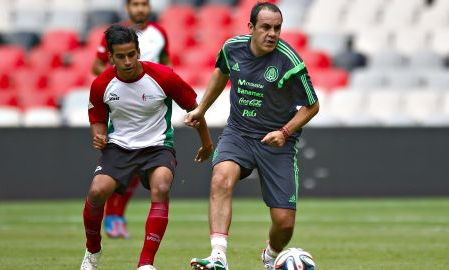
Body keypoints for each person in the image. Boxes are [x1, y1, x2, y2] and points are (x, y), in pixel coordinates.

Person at [185, 2, 319, 270]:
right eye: (266, 27)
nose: (272, 34)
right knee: (221, 177)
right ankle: (218, 256)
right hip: (239, 132)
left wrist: (284, 132)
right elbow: (221, 74)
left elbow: (312, 105)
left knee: (284, 223)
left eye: (277, 28)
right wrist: (201, 109)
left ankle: (271, 257)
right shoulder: (232, 48)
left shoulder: (289, 62)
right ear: (251, 27)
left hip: (277, 141)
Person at [80, 25, 213, 270]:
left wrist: (207, 144)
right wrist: (98, 136)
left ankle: (145, 264)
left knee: (161, 187)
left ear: (139, 51)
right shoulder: (101, 84)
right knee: (97, 192)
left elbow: (195, 110)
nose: (128, 61)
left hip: (157, 146)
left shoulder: (164, 77)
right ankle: (92, 252)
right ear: (110, 57)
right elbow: (97, 121)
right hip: (119, 147)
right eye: (121, 56)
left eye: (132, 54)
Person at [91, 0, 171, 239]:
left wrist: (165, 83)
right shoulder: (115, 37)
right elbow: (97, 66)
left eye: (144, 4)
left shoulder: (160, 33)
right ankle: (114, 216)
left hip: (153, 104)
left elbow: (167, 63)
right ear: (127, 8)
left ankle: (117, 215)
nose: (140, 9)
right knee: (126, 157)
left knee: (142, 162)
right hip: (125, 106)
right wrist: (118, 81)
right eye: (135, 4)